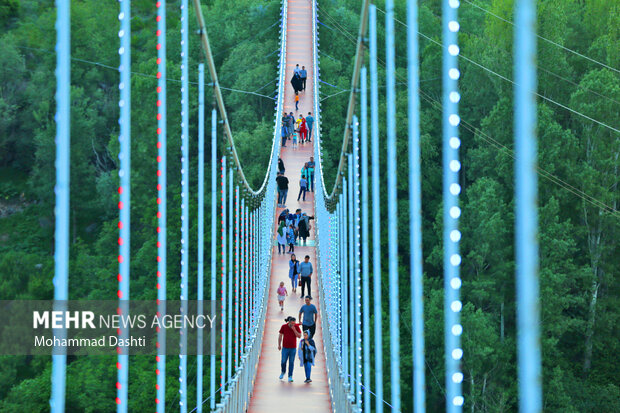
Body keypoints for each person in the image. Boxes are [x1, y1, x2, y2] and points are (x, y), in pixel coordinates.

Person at [278, 316, 301, 381]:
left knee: (291, 362)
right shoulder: (284, 326)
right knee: (283, 361)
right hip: (285, 347)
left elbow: (299, 336)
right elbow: (280, 335)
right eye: (292, 323)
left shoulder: (296, 327)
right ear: (289, 322)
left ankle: (290, 376)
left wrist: (294, 330)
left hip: (293, 348)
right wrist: (279, 345)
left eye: (294, 323)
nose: (293, 325)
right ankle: (283, 372)